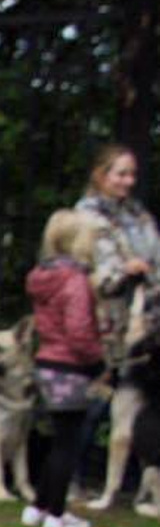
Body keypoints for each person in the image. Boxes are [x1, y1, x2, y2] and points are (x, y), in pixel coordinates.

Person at [22, 210, 104, 527]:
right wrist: (96, 361)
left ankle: (39, 505)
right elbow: (79, 329)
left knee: (59, 439)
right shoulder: (76, 281)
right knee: (69, 443)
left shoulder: (44, 277)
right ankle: (56, 513)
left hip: (47, 362)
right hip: (71, 366)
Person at [75, 144, 160, 370]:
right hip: (109, 323)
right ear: (100, 175)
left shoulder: (137, 212)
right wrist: (124, 269)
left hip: (149, 320)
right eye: (121, 174)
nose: (129, 181)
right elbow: (90, 271)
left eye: (132, 175)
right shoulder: (85, 215)